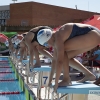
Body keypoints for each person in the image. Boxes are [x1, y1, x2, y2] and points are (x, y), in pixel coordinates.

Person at [36, 23, 100, 92]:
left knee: (63, 50)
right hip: (94, 36)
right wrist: (50, 80)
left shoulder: (58, 36)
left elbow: (59, 62)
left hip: (93, 35)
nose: (47, 46)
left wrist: (57, 82)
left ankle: (66, 79)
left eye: (45, 44)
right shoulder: (57, 39)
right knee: (67, 58)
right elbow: (54, 61)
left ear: (48, 38)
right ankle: (89, 75)